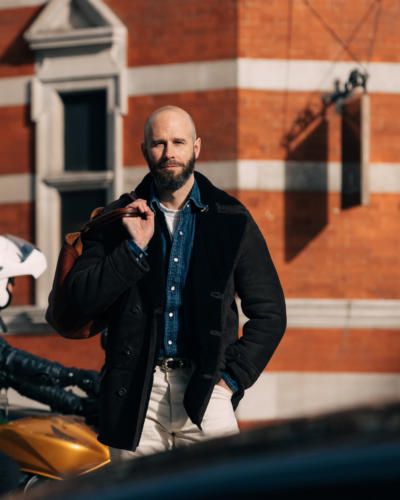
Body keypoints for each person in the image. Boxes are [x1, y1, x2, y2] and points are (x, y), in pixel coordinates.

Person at [64, 106, 286, 459]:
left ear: (196, 147)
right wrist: (132, 251)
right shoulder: (116, 220)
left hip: (207, 392)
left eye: (178, 142)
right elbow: (78, 300)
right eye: (159, 143)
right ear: (144, 151)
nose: (169, 153)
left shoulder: (232, 219)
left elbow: (270, 313)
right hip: (137, 396)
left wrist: (230, 381)